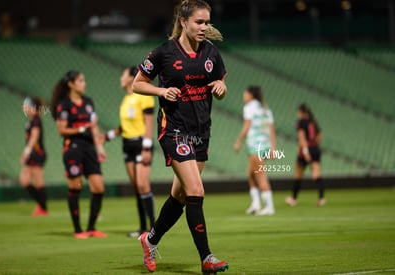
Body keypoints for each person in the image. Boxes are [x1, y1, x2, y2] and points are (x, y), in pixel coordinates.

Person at [132, 0, 229, 274]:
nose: (204, 27)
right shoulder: (163, 53)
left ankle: (149, 240)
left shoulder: (211, 52)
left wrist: (222, 87)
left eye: (207, 21)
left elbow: (221, 80)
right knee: (196, 191)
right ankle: (207, 258)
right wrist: (162, 92)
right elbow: (136, 83)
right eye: (199, 21)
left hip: (201, 133)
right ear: (183, 22)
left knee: (181, 196)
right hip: (174, 132)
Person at [50, 70, 108, 239]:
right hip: (73, 147)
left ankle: (91, 228)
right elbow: (62, 130)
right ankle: (77, 230)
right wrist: (82, 128)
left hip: (90, 148)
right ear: (71, 84)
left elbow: (94, 126)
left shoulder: (88, 102)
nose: (84, 83)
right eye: (81, 80)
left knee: (98, 188)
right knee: (75, 186)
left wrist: (99, 148)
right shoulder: (64, 105)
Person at [104, 66, 156, 238]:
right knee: (136, 187)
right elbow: (125, 126)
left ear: (131, 77)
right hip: (127, 144)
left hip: (141, 143)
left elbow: (149, 123)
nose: (121, 78)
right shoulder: (126, 99)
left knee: (143, 185)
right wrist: (108, 136)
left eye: (123, 75)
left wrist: (147, 147)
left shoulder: (144, 96)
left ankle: (154, 228)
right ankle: (143, 228)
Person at [234, 86, 276, 216]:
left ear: (251, 95)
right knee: (251, 174)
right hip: (265, 145)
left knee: (259, 175)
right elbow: (272, 129)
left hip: (255, 145)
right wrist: (273, 147)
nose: (244, 95)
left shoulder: (249, 107)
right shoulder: (265, 108)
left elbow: (247, 126)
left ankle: (269, 207)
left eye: (245, 93)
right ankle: (256, 204)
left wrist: (238, 141)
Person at [285, 103, 325, 207]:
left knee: (298, 175)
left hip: (305, 151)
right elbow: (319, 137)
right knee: (316, 174)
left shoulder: (300, 123)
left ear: (301, 112)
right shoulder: (313, 122)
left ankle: (293, 199)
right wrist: (314, 146)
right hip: (315, 149)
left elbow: (302, 138)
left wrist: (306, 151)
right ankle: (321, 198)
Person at [19, 96, 48, 216]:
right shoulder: (31, 121)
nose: (26, 108)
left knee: (38, 181)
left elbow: (34, 137)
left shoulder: (36, 120)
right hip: (32, 154)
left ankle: (43, 208)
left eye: (28, 106)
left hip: (36, 154)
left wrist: (26, 151)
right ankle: (41, 205)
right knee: (24, 180)